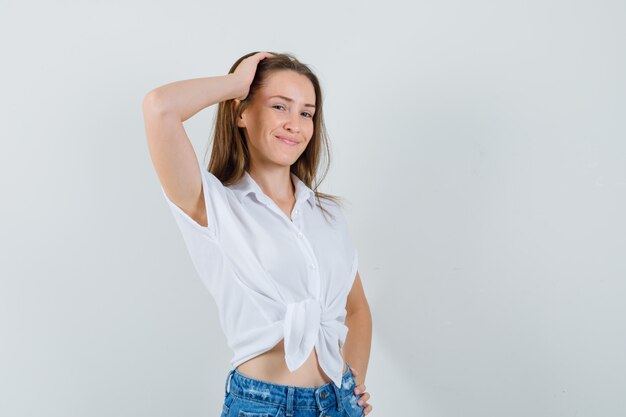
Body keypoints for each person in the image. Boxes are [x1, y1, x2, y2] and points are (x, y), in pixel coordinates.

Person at [142, 51, 373, 417]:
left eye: (306, 113)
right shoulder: (214, 206)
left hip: (338, 404)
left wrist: (353, 382)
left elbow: (357, 309)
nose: (295, 124)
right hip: (261, 405)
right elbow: (159, 108)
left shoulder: (327, 215)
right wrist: (235, 84)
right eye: (280, 107)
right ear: (241, 112)